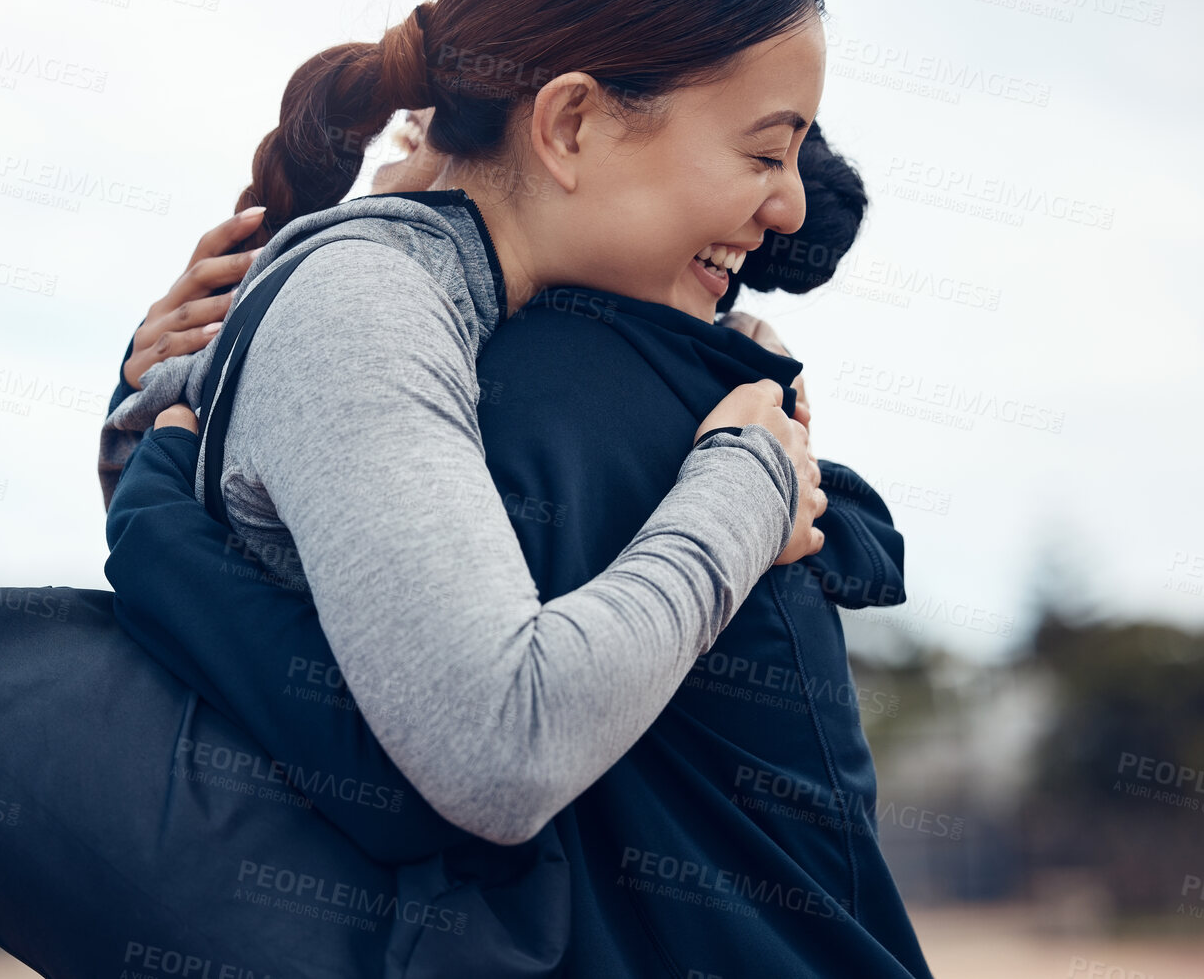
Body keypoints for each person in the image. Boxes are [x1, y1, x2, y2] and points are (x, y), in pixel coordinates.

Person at [102, 0, 829, 854]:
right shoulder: (364, 303)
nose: (788, 205)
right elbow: (503, 741)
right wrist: (746, 486)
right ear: (570, 124)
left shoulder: (444, 294)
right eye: (763, 151)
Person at [102, 121, 933, 976]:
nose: (369, 209)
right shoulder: (707, 398)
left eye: (403, 142)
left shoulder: (549, 399)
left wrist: (153, 517)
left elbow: (403, 771)